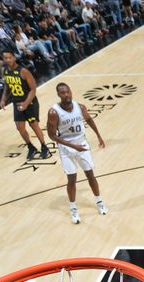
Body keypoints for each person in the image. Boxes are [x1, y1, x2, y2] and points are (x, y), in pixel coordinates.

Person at [46, 82, 108, 224]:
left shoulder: (80, 107)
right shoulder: (54, 112)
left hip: (82, 144)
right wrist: (72, 145)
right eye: (62, 93)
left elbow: (89, 119)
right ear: (58, 95)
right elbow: (51, 135)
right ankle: (73, 209)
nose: (66, 94)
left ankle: (99, 202)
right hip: (66, 148)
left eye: (67, 92)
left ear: (71, 92)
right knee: (72, 179)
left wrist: (98, 135)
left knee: (90, 175)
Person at [0, 49, 49, 160]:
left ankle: (44, 146)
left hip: (30, 102)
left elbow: (33, 89)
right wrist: (3, 99)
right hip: (17, 102)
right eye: (5, 58)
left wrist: (26, 103)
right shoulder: (5, 70)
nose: (8, 60)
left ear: (14, 58)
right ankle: (31, 147)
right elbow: (7, 86)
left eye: (9, 57)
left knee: (33, 125)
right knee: (19, 127)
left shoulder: (23, 71)